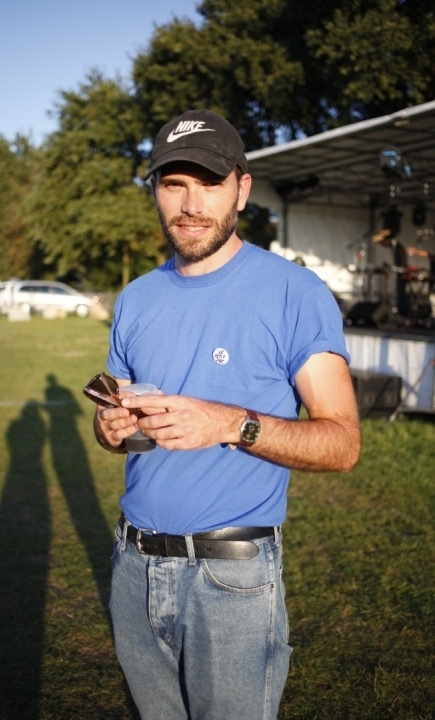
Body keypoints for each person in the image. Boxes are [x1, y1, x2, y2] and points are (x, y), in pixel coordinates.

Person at [93, 109, 361, 720]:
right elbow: (121, 424)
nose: (190, 204)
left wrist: (229, 423)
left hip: (231, 579)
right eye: (173, 184)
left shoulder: (295, 293)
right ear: (154, 190)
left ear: (242, 189)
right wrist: (111, 429)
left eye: (209, 183)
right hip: (133, 567)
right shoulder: (136, 298)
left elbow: (343, 443)